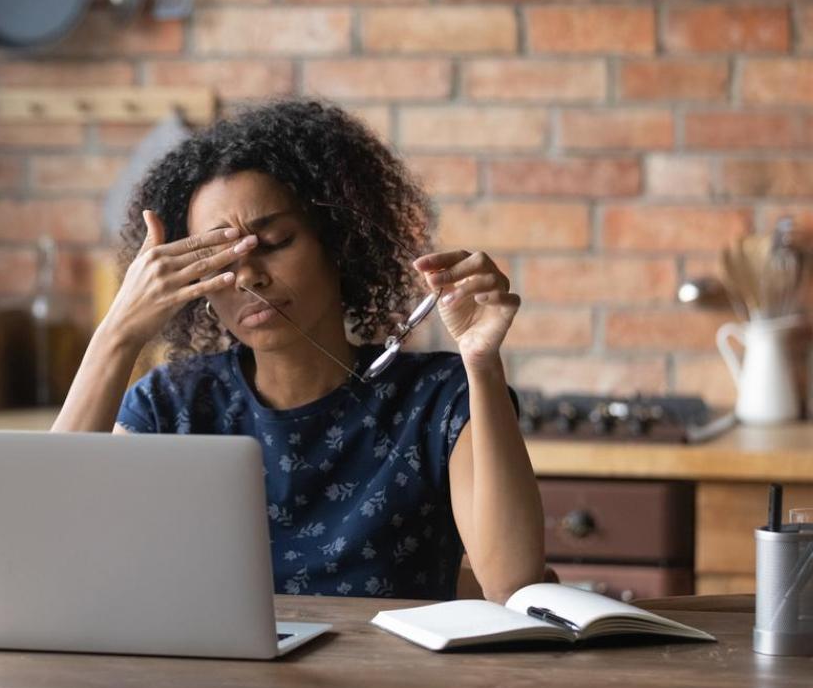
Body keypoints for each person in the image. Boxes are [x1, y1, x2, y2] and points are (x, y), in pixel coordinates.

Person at [51, 98, 544, 602]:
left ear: (340, 242)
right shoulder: (172, 405)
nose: (249, 276)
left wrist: (481, 362)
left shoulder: (438, 398)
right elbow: (47, 552)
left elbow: (511, 584)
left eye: (276, 240)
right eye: (217, 259)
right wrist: (118, 335)